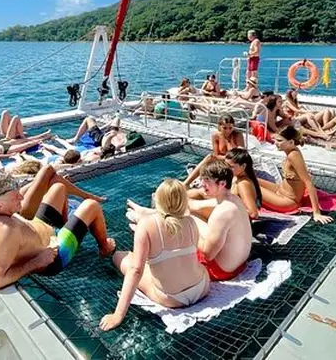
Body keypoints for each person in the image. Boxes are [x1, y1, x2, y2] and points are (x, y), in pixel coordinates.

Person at [0, 172, 115, 288]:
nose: (22, 198)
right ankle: (104, 247)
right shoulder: (6, 232)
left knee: (59, 187)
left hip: (40, 226)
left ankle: (68, 225)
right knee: (91, 205)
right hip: (53, 254)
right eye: (15, 197)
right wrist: (36, 262)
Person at [99, 180, 210, 331]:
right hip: (202, 287)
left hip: (172, 298)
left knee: (120, 257)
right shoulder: (191, 222)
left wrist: (117, 315)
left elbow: (135, 271)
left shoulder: (146, 224)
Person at [258, 126, 334, 224]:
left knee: (245, 184)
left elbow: (308, 182)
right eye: (275, 139)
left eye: (279, 140)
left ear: (291, 142)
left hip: (287, 201)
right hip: (279, 191)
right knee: (251, 179)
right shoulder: (290, 152)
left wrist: (316, 213)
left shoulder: (293, 155)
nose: (275, 143)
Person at [188, 148, 261, 219]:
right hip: (229, 209)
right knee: (198, 193)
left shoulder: (243, 184)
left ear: (243, 166)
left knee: (193, 210)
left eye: (231, 166)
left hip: (232, 219)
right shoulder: (237, 177)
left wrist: (223, 208)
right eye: (226, 165)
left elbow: (253, 213)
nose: (226, 168)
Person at [182, 115, 246, 187]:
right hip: (223, 161)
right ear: (219, 127)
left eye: (230, 128)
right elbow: (216, 155)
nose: (228, 131)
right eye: (225, 128)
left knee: (211, 159)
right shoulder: (216, 136)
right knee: (209, 157)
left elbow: (241, 154)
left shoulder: (237, 135)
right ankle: (186, 183)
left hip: (235, 163)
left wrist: (232, 144)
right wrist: (226, 158)